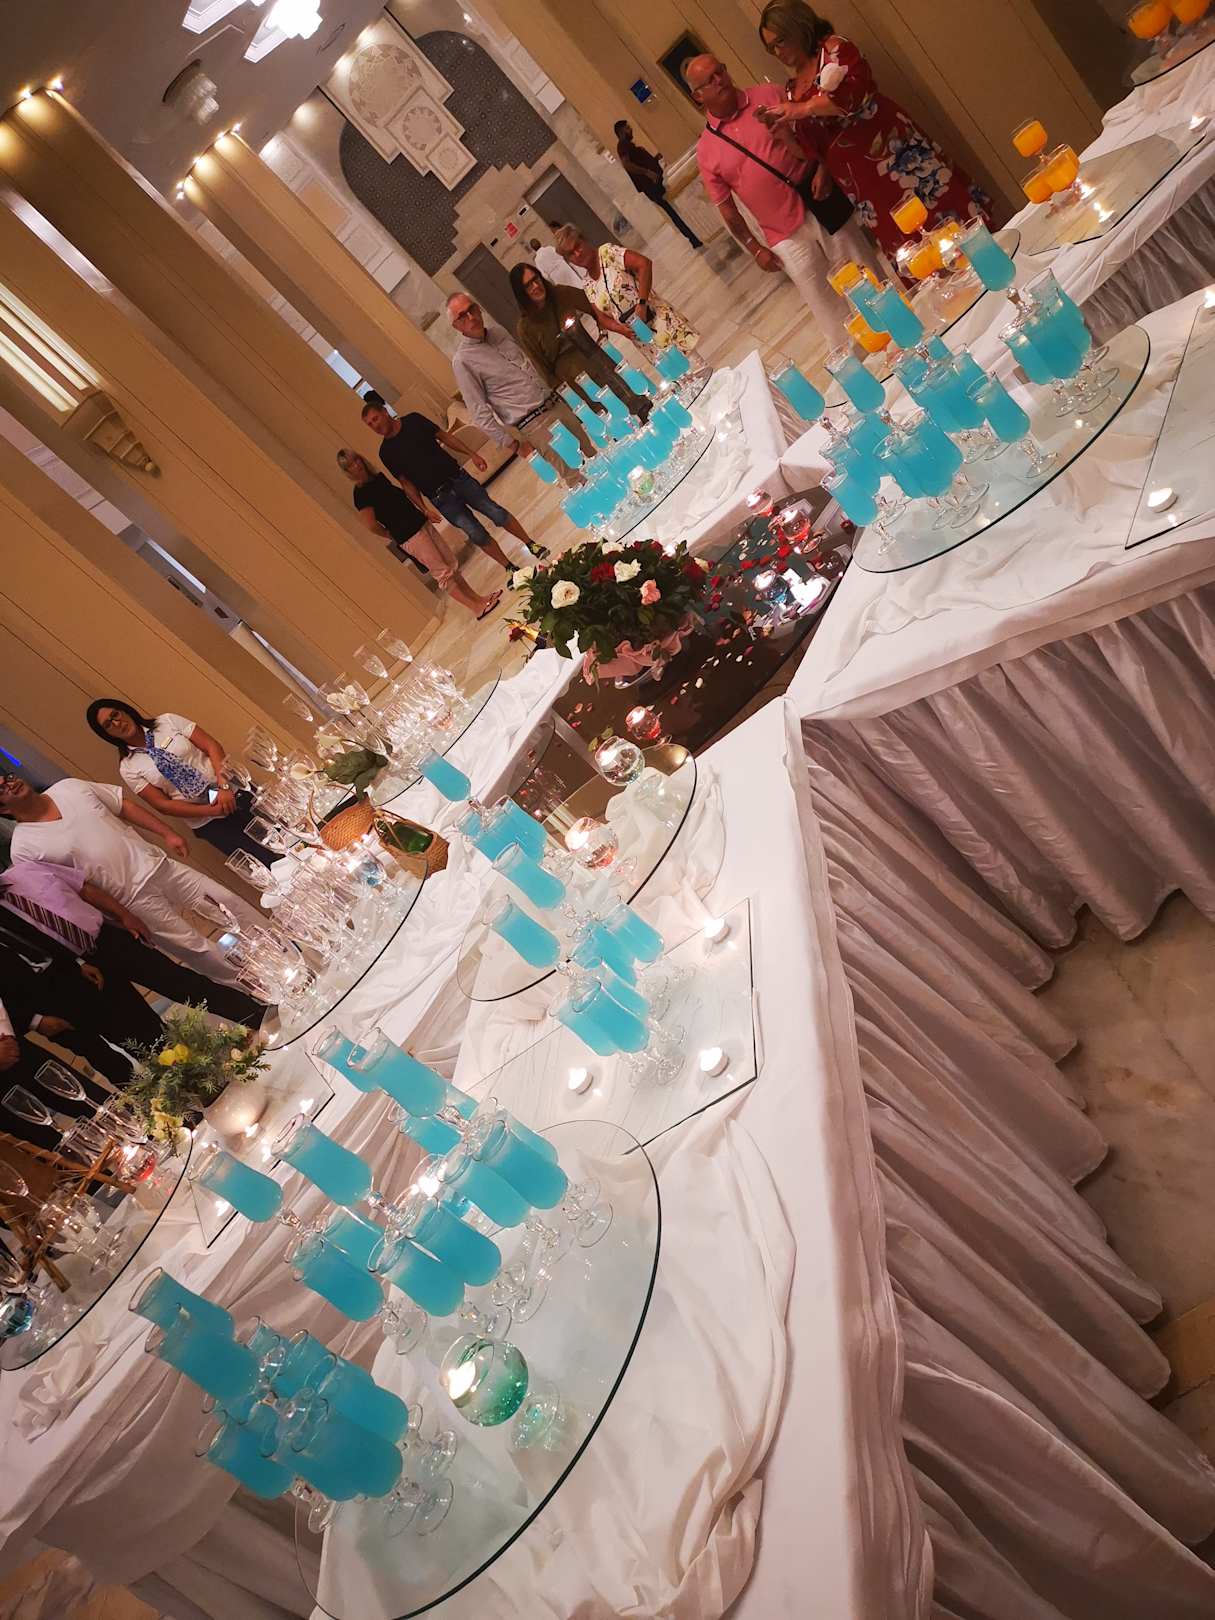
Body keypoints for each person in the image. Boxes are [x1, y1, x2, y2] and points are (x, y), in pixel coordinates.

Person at [757, 2, 992, 260]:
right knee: (908, 247)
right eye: (771, 48)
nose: (778, 52)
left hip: (892, 153)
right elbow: (812, 150)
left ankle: (990, 260)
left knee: (943, 215)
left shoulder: (834, 50)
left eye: (780, 41)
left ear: (798, 28)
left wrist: (802, 109)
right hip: (860, 182)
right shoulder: (792, 90)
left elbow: (852, 98)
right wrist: (783, 134)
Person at [685, 53, 882, 347]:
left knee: (863, 271)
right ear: (698, 96)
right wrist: (754, 248)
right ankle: (853, 356)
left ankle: (891, 319)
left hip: (818, 199)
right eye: (710, 80)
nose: (720, 80)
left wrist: (823, 169)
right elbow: (727, 209)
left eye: (720, 71)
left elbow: (815, 134)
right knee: (824, 304)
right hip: (783, 235)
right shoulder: (707, 149)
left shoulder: (769, 95)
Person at [0, 773, 265, 989]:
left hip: (158, 865)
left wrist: (168, 833)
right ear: (3, 809)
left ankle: (281, 949)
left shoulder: (69, 787)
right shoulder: (23, 849)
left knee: (227, 903)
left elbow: (123, 806)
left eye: (8, 778)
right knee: (195, 947)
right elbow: (77, 888)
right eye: (2, 789)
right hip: (130, 900)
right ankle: (257, 987)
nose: (10, 784)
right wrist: (123, 916)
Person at [0, 858, 267, 1033]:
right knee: (139, 1023)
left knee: (179, 983)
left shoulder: (27, 869)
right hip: (75, 968)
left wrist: (125, 915)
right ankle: (193, 1072)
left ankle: (255, 1015)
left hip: (107, 939)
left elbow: (85, 889)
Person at [360, 399, 549, 585]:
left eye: (375, 419)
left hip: (458, 479)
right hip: (440, 498)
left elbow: (444, 436)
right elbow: (406, 483)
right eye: (369, 424)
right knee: (475, 533)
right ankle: (509, 567)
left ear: (384, 412)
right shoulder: (386, 453)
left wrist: (472, 454)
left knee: (495, 512)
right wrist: (423, 508)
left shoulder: (413, 420)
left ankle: (531, 543)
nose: (374, 426)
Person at [84, 701, 272, 868]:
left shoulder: (167, 722)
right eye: (108, 724)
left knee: (281, 833)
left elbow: (211, 746)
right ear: (106, 734)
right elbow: (162, 805)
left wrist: (223, 787)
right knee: (264, 864)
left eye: (115, 715)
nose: (117, 723)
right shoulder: (128, 767)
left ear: (125, 710)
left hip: (235, 790)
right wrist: (211, 810)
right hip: (209, 821)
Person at [447, 292, 598, 490]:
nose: (471, 317)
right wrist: (514, 445)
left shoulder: (498, 332)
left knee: (593, 456)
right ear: (456, 326)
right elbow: (479, 414)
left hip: (554, 403)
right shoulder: (462, 361)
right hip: (534, 424)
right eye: (462, 316)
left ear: (478, 308)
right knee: (576, 476)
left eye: (472, 309)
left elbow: (526, 366)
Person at [335, 449, 498, 619]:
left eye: (356, 460)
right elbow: (371, 525)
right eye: (350, 465)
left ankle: (479, 599)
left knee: (451, 563)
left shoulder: (378, 477)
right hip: (408, 535)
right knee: (442, 573)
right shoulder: (360, 495)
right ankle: (475, 607)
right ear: (348, 472)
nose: (357, 466)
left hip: (419, 521)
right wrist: (390, 535)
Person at [509, 264, 651, 424]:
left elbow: (594, 307)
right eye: (528, 285)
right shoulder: (525, 327)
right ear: (522, 293)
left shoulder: (561, 294)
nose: (536, 286)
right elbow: (542, 367)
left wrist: (603, 332)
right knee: (611, 419)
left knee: (632, 398)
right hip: (574, 379)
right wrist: (567, 395)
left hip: (595, 357)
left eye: (536, 279)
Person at [554, 225, 700, 354]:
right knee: (674, 372)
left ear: (584, 240)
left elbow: (644, 264)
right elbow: (601, 317)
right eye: (571, 254)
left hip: (660, 320)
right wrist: (620, 329)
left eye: (578, 246)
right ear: (569, 261)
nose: (578, 253)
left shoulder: (607, 253)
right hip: (643, 338)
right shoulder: (588, 284)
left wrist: (642, 304)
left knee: (695, 366)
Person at [613, 120, 703, 250]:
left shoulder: (628, 146)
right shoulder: (622, 146)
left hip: (654, 182)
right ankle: (693, 238)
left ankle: (694, 237)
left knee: (674, 210)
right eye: (627, 128)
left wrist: (654, 160)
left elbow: (639, 162)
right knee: (673, 212)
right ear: (621, 131)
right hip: (652, 186)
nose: (631, 129)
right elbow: (627, 165)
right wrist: (648, 172)